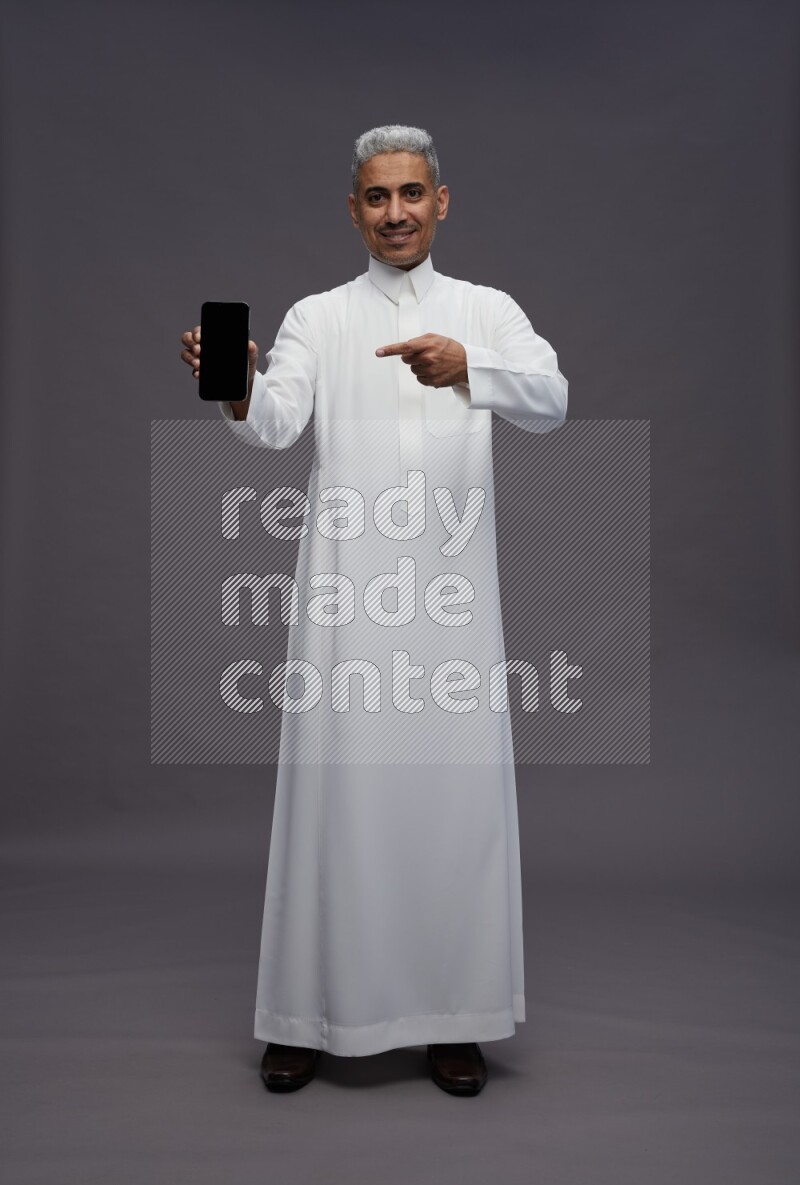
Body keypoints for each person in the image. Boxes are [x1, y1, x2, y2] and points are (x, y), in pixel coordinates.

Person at [179, 125, 568, 1096]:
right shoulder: (319, 316)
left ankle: (452, 1017)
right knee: (334, 798)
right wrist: (228, 385)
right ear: (352, 210)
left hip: (448, 600)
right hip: (347, 598)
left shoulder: (486, 311)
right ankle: (306, 1015)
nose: (393, 213)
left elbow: (552, 399)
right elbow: (272, 428)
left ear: (441, 202)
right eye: (375, 197)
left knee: (451, 802)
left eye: (409, 194)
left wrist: (466, 368)